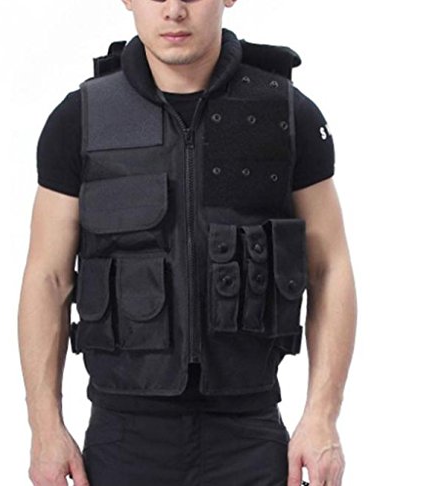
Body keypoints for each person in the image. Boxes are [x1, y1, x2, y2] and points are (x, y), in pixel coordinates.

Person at [18, 1, 356, 485]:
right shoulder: (80, 120)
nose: (174, 9)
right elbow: (47, 278)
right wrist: (44, 428)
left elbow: (330, 267)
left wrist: (322, 417)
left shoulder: (285, 113)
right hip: (123, 438)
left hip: (250, 434)